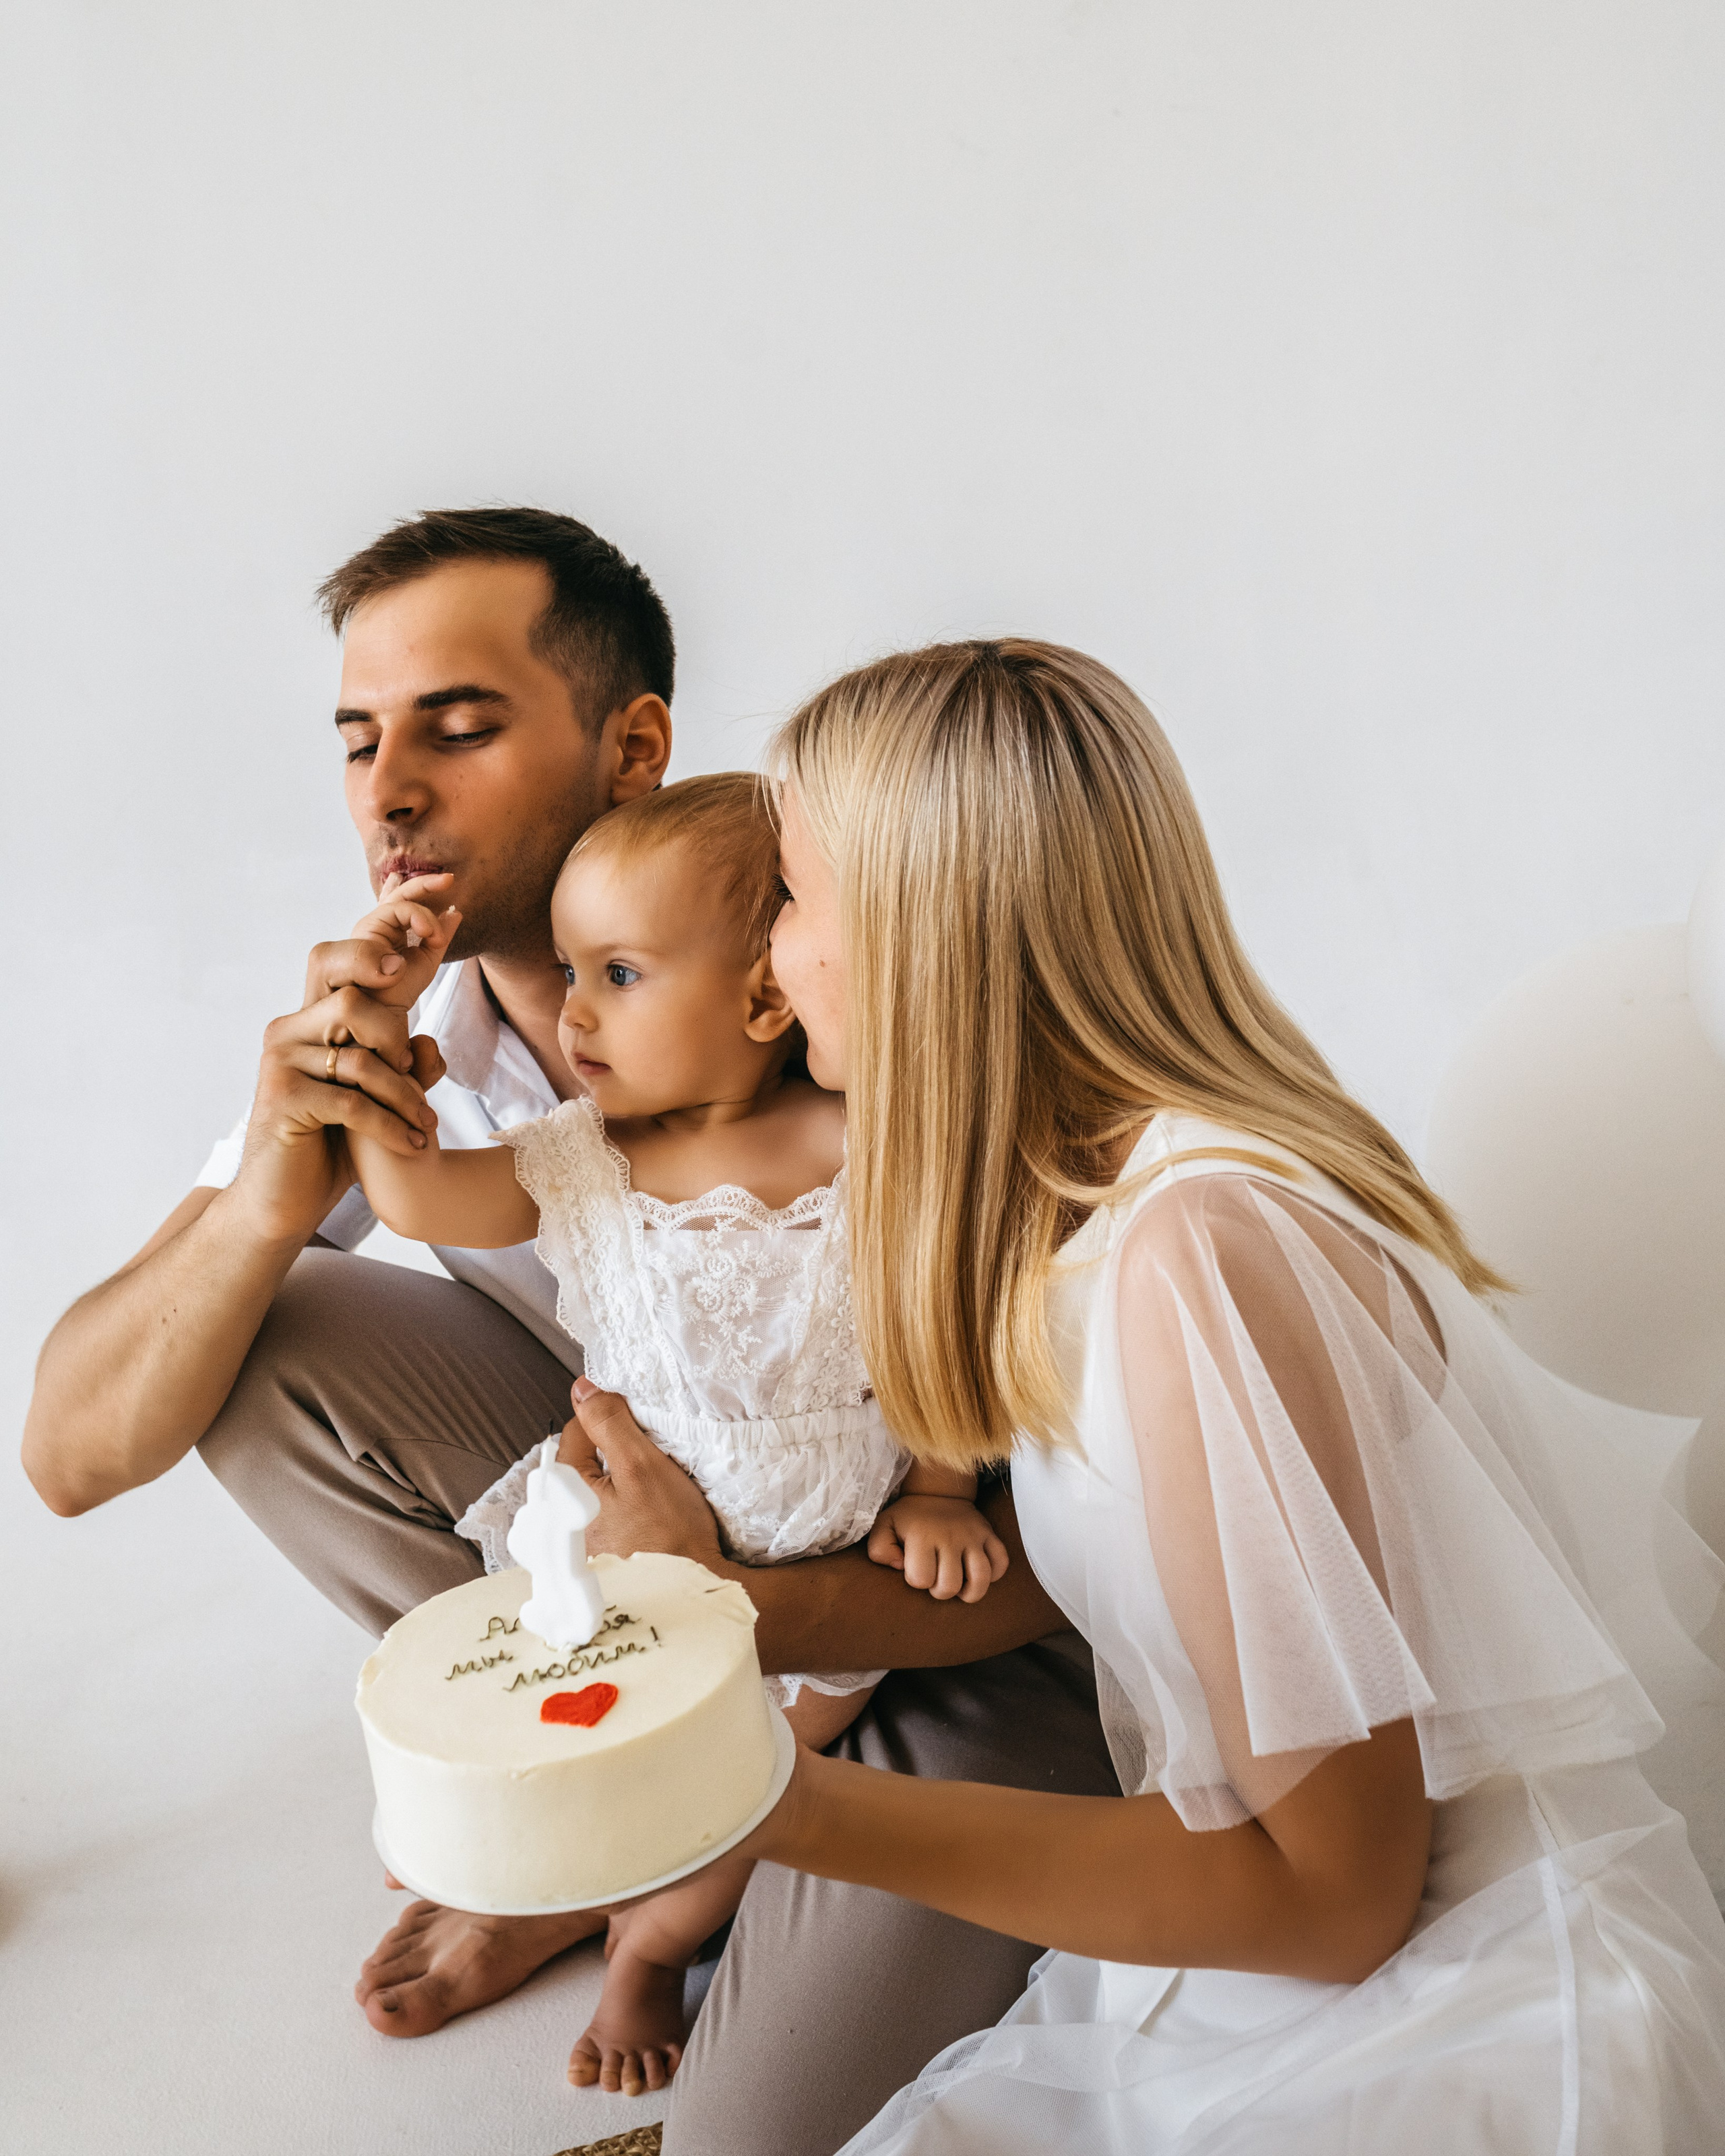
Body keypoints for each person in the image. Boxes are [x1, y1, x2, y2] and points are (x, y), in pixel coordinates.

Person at [21, 514, 1117, 2153]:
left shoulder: (836, 986)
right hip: (674, 1535)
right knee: (258, 1327)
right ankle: (614, 1804)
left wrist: (730, 1601)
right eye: (356, 739)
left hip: (954, 1618)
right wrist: (270, 1185)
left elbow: (1091, 1551)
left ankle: (711, 1834)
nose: (387, 793)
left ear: (634, 746)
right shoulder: (422, 1050)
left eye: (457, 728)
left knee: (750, 2131)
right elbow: (70, 1452)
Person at [598, 636, 1725, 2152]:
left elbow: (1338, 1905)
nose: (769, 959)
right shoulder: (1095, 1212)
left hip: (1439, 2013)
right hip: (1253, 1969)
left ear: (929, 930)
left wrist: (777, 1809)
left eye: (792, 895)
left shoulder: (1195, 1253)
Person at [344, 773, 1008, 2092]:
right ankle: (530, 1861)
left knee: (731, 1789)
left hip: (829, 1588)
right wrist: (380, 1061)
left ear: (767, 997)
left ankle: (649, 1950)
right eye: (571, 969)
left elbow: (939, 1333)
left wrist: (936, 1490)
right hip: (611, 1555)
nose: (572, 1008)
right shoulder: (579, 1154)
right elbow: (424, 1193)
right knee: (580, 1728)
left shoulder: (863, 1146)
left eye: (620, 972)